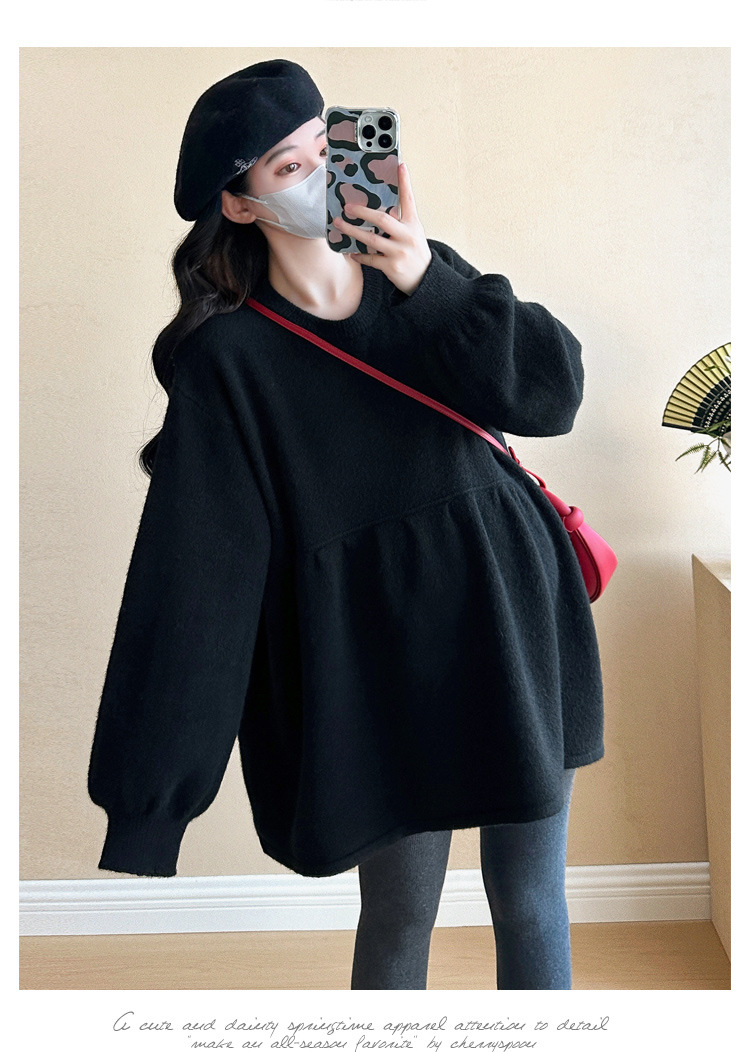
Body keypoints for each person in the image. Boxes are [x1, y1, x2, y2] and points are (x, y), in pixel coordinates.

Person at [87, 59, 605, 991]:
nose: (320, 176)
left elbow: (552, 393)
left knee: (531, 897)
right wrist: (149, 807)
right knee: (400, 914)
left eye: (324, 150)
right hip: (381, 664)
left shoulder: (424, 276)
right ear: (238, 204)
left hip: (511, 620)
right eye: (288, 168)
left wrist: (424, 276)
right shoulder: (229, 359)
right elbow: (197, 578)